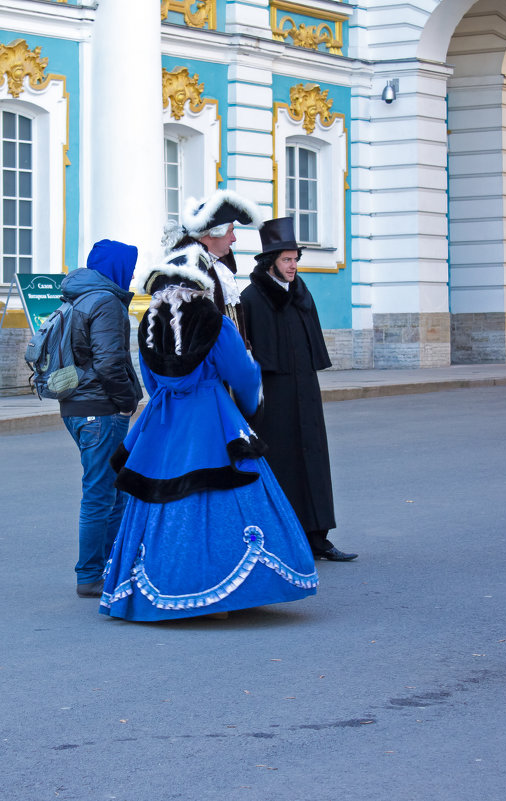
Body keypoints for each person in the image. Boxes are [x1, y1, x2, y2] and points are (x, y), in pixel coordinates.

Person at [99, 244, 318, 621]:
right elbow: (245, 373)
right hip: (210, 415)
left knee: (158, 494)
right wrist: (248, 408)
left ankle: (161, 586)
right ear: (200, 286)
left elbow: (151, 381)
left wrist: (167, 402)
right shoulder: (214, 321)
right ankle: (221, 595)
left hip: (164, 419)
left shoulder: (149, 323)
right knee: (223, 492)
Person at [240, 217, 358, 562]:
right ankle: (285, 539)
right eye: (287, 259)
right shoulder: (252, 298)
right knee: (283, 463)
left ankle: (318, 538)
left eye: (295, 259)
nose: (293, 266)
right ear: (270, 261)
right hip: (273, 397)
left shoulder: (301, 293)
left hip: (305, 389)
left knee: (314, 462)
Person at [60, 239, 143, 598]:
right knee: (100, 493)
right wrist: (126, 402)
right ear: (118, 268)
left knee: (110, 489)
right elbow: (109, 362)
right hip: (100, 408)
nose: (134, 274)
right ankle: (91, 574)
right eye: (131, 267)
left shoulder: (78, 296)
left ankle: (110, 565)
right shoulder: (106, 302)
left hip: (78, 406)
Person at [162, 188, 263, 342]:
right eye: (230, 231)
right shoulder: (189, 268)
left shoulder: (221, 266)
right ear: (213, 233)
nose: (234, 239)